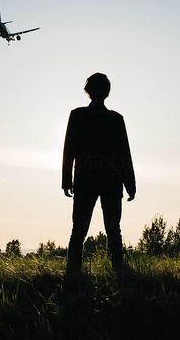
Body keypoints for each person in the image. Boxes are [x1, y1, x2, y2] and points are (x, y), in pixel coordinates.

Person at [62, 72, 136, 279]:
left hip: (87, 180)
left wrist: (67, 180)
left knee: (80, 230)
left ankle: (74, 272)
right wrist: (130, 183)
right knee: (112, 230)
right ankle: (117, 271)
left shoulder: (78, 116)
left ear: (89, 91)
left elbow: (69, 150)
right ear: (107, 92)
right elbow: (124, 153)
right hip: (110, 180)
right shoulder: (115, 119)